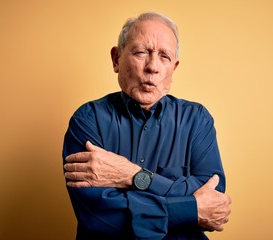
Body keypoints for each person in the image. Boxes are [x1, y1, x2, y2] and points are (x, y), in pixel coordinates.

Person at [62, 12, 231, 240]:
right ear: (116, 59)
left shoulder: (197, 120)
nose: (152, 67)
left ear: (174, 68)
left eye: (164, 57)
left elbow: (214, 200)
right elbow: (98, 217)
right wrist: (189, 208)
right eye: (141, 52)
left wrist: (132, 175)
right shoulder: (87, 120)